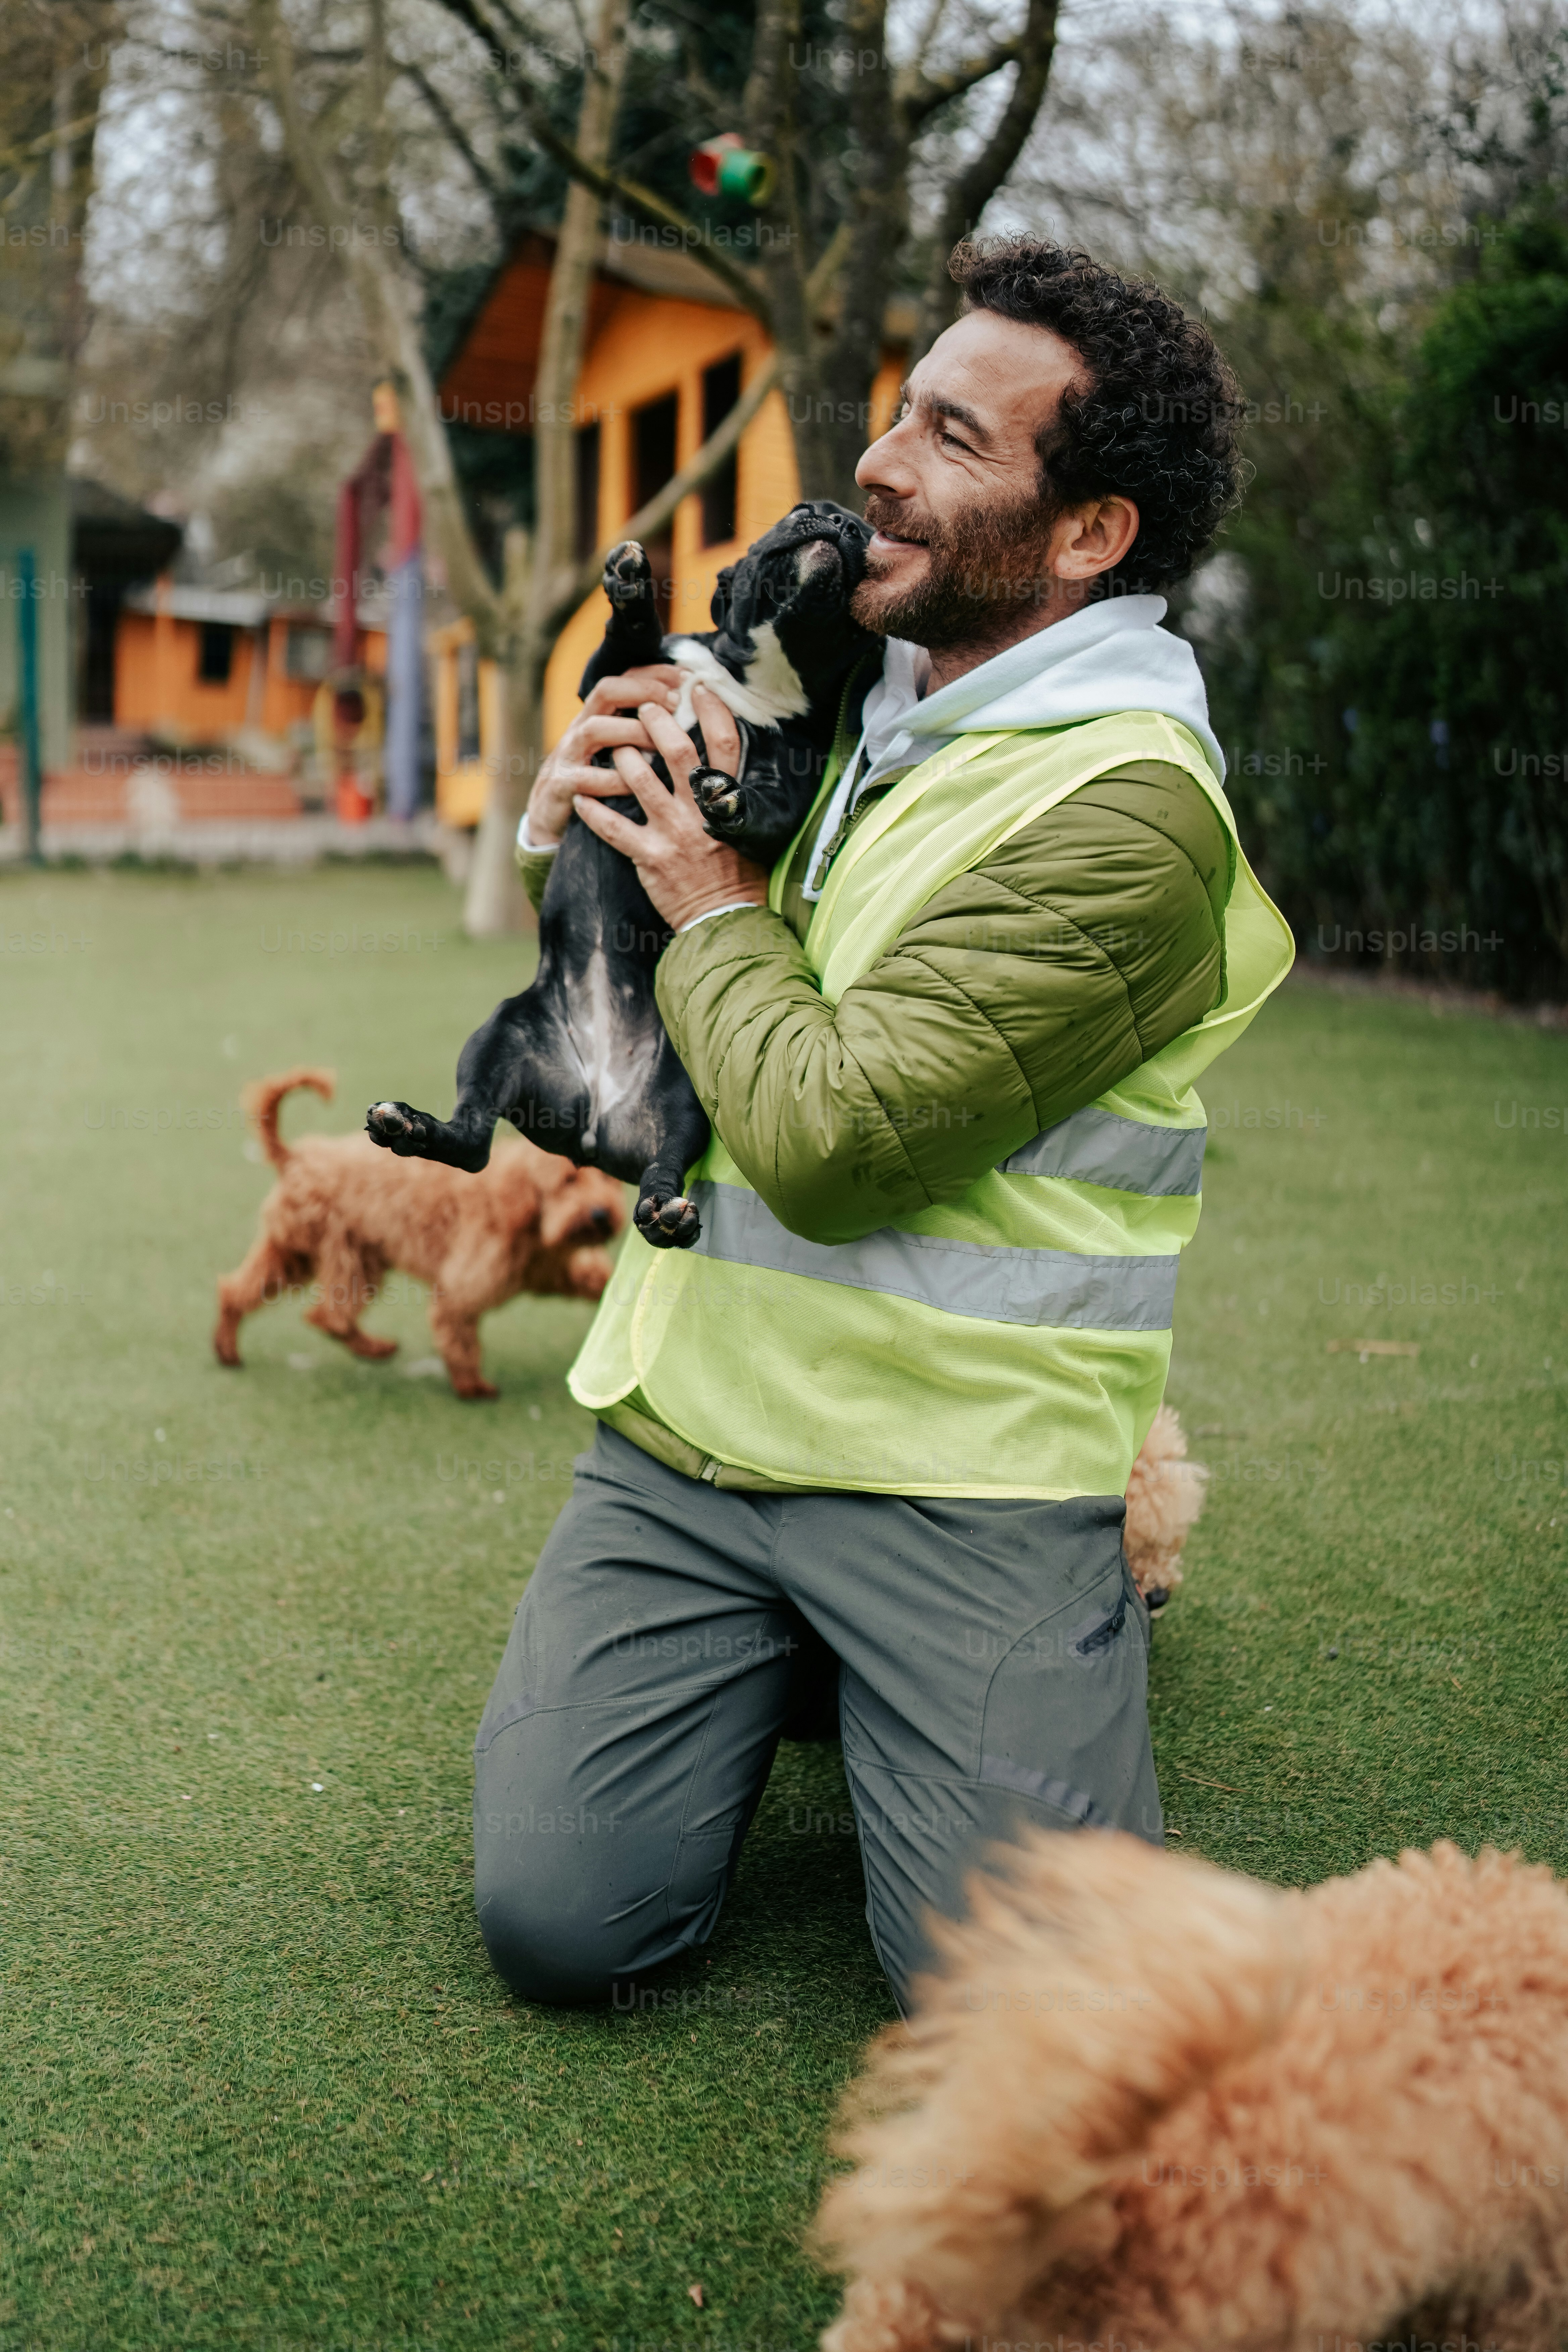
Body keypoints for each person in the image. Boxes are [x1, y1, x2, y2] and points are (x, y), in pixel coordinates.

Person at [471, 236, 1294, 2009]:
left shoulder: (1128, 814)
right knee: (560, 1924)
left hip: (964, 1478)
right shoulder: (849, 669)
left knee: (1022, 2005)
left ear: (1088, 537)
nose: (878, 462)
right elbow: (630, 1027)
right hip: (689, 1445)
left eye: (951, 438)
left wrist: (698, 885)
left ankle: (1031, 1638)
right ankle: (807, 1661)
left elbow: (831, 1142)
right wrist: (579, 825)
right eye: (895, 414)